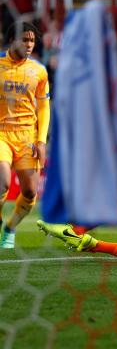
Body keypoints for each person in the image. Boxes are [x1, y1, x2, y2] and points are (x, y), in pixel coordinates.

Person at [0, 22, 50, 248]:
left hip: (27, 137)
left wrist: (41, 140)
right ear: (12, 40)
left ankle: (9, 228)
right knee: (2, 183)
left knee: (30, 192)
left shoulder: (39, 71)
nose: (29, 44)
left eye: (32, 40)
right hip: (1, 134)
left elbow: (43, 108)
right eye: (25, 39)